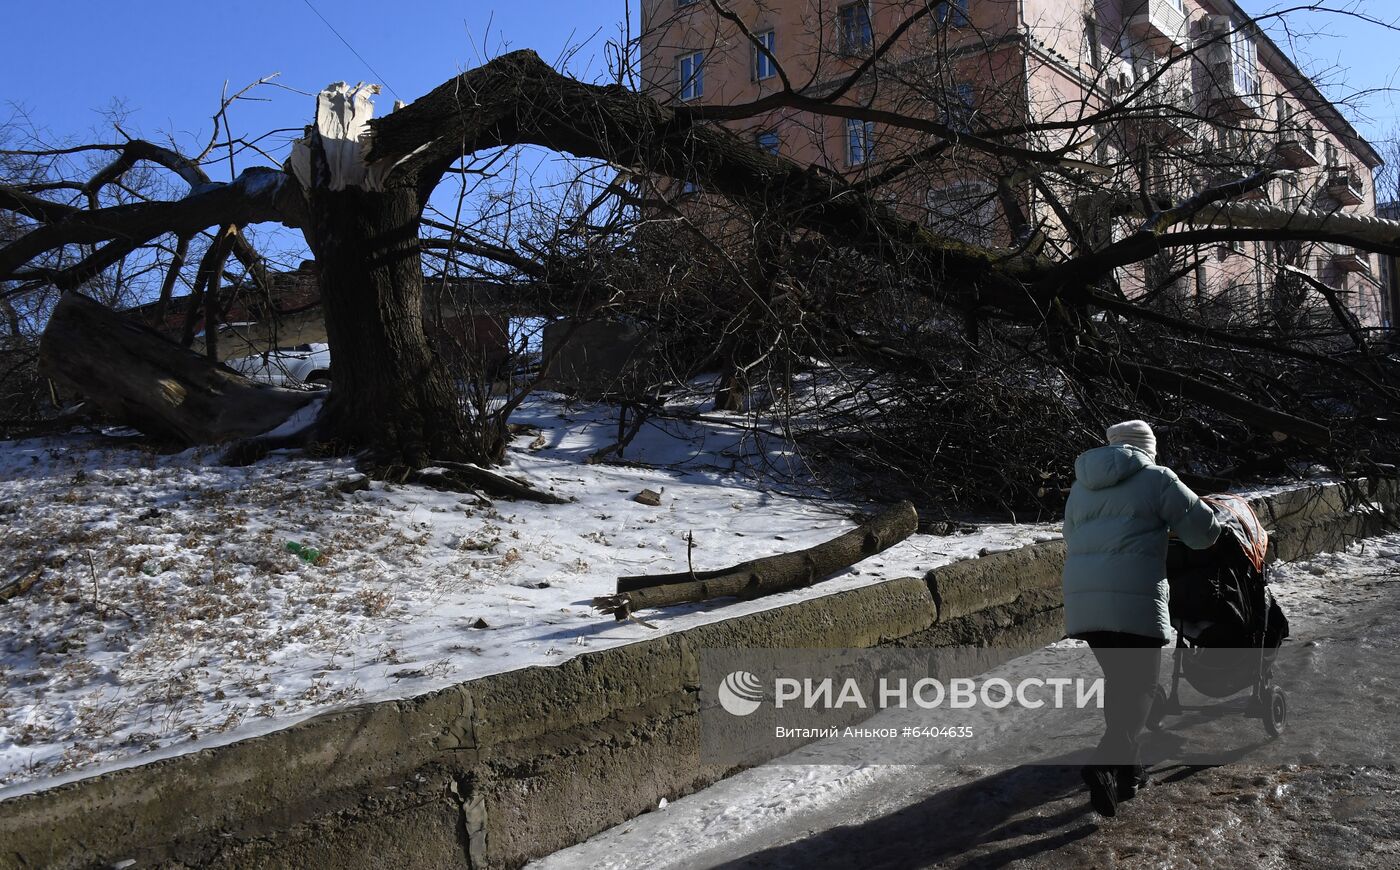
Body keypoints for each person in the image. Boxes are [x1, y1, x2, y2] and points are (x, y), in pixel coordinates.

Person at [1061, 419, 1221, 818]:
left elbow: (1071, 537)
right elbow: (1205, 533)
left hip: (1086, 604)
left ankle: (1129, 774)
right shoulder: (1156, 477)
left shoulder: (1081, 486)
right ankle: (1103, 763)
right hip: (1134, 599)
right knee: (1143, 687)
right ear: (1148, 447)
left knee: (1121, 685)